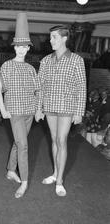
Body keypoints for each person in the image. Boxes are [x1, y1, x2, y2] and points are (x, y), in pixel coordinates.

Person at [35, 25, 87, 197]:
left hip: (67, 106)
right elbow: (40, 86)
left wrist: (79, 111)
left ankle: (59, 181)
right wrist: (39, 108)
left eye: (54, 37)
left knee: (61, 140)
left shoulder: (76, 60)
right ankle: (55, 173)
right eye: (50, 37)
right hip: (49, 106)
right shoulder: (45, 61)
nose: (51, 40)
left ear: (64, 39)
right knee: (53, 139)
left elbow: (81, 87)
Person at [0, 13, 40, 198]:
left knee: (18, 142)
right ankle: (24, 182)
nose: (21, 50)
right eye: (19, 46)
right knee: (23, 145)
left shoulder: (31, 69)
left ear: (28, 49)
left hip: (29, 112)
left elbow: (38, 90)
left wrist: (38, 109)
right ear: (14, 47)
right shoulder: (6, 65)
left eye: (25, 47)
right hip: (14, 112)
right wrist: (3, 110)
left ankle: (10, 170)